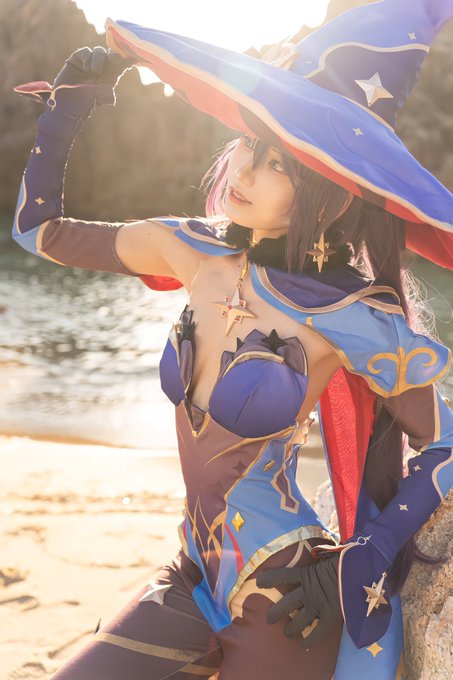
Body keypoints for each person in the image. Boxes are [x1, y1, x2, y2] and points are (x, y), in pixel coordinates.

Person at [12, 1, 453, 678]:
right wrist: (66, 110)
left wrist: (366, 553)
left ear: (330, 191)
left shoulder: (348, 314)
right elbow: (38, 232)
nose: (244, 172)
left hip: (287, 597)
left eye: (277, 164)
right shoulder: (191, 248)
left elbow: (445, 441)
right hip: (191, 574)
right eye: (250, 146)